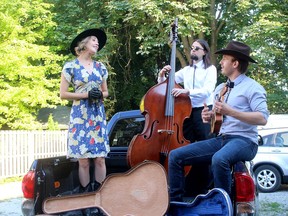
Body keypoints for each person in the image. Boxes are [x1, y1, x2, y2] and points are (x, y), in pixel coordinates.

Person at [168, 40, 269, 201]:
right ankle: (176, 205)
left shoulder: (253, 87)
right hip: (222, 139)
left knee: (219, 158)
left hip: (245, 141)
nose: (220, 62)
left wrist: (231, 111)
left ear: (235, 63)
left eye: (224, 59)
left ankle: (223, 205)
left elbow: (262, 118)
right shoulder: (221, 88)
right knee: (175, 156)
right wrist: (208, 117)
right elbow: (218, 120)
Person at [158, 39, 217, 195]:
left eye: (197, 48)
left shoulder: (210, 69)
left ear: (204, 51)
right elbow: (167, 84)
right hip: (187, 112)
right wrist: (162, 75)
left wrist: (186, 92)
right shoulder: (186, 70)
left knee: (205, 148)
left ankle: (205, 188)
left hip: (204, 111)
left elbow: (208, 90)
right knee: (185, 148)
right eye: (192, 48)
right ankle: (186, 187)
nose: (193, 51)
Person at [60, 29, 110, 195]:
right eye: (94, 40)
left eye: (97, 42)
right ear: (83, 43)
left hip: (97, 115)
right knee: (83, 161)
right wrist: (86, 95)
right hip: (80, 116)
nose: (97, 43)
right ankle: (86, 198)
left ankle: (100, 198)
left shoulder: (100, 67)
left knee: (100, 159)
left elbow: (106, 92)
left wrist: (99, 94)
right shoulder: (71, 66)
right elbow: (63, 94)